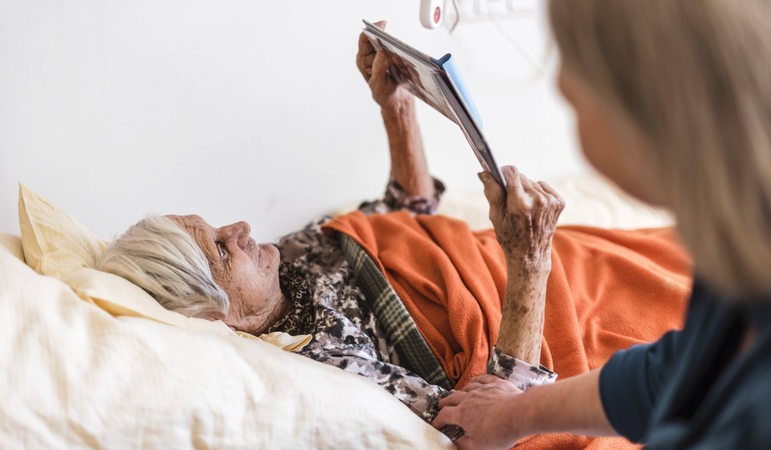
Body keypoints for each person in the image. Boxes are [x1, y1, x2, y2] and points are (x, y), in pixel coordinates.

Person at [95, 20, 692, 447]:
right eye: (222, 248)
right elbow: (487, 424)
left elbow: (404, 217)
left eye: (217, 225)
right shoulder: (322, 368)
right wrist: (530, 260)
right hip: (548, 307)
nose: (241, 227)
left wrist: (397, 106)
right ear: (220, 316)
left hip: (549, 258)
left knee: (710, 250)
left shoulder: (288, 254)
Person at [432, 1, 771, 449]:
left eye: (572, 66)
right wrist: (513, 411)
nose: (563, 86)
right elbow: (680, 370)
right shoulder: (747, 249)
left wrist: (531, 262)